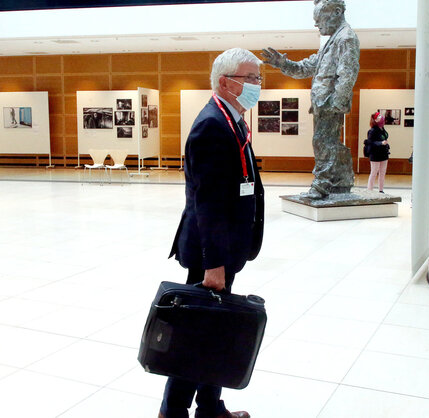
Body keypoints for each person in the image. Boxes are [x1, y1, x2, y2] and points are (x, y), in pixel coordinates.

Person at [163, 47, 265, 418]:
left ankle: (209, 405)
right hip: (212, 254)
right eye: (251, 78)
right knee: (197, 333)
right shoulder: (211, 125)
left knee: (216, 329)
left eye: (258, 78)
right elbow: (206, 204)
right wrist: (214, 265)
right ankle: (172, 411)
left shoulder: (232, 119)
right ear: (225, 82)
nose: (257, 85)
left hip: (226, 248)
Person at [261, 0, 359, 198]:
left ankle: (321, 186)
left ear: (337, 12)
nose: (317, 25)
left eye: (320, 19)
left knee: (322, 142)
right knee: (330, 142)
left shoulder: (345, 38)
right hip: (323, 103)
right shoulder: (332, 41)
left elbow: (348, 73)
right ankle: (341, 181)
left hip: (330, 103)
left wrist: (336, 103)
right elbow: (306, 67)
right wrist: (283, 63)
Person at [365, 111, 390, 192]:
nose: (381, 117)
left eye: (380, 115)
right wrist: (380, 143)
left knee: (382, 173)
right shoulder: (372, 131)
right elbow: (370, 142)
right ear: (375, 120)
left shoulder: (382, 128)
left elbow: (385, 137)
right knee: (374, 173)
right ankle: (369, 190)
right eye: (378, 116)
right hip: (375, 154)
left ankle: (381, 190)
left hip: (384, 153)